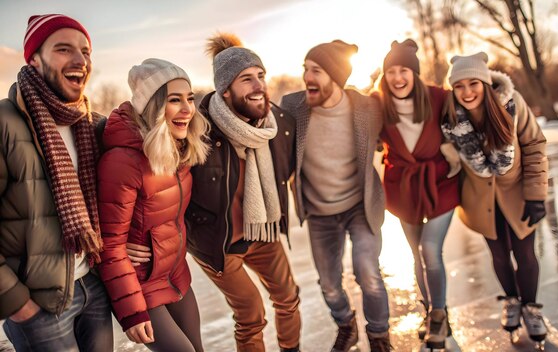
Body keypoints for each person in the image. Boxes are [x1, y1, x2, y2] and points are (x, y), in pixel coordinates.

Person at [127, 34, 301, 352]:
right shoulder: (197, 129)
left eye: (261, 76)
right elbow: (153, 181)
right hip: (218, 243)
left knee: (288, 297)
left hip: (263, 230)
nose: (258, 85)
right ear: (225, 89)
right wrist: (131, 236)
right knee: (251, 313)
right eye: (247, 79)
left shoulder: (280, 125)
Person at [0, 14, 113, 352]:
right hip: (40, 305)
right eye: (63, 49)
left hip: (93, 290)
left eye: (86, 51)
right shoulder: (5, 122)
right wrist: (18, 303)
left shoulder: (92, 125)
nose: (80, 60)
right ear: (34, 59)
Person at [281, 40, 392, 352]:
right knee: (329, 285)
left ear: (335, 76)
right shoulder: (293, 108)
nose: (307, 76)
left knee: (368, 272)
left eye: (316, 70)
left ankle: (379, 336)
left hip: (360, 206)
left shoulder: (367, 108)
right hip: (319, 212)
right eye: (305, 69)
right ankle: (347, 326)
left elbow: (402, 124)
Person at [97, 58, 209, 351]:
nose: (187, 109)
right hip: (141, 284)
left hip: (174, 274)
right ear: (153, 107)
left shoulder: (179, 151)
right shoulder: (124, 161)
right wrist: (132, 311)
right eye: (174, 100)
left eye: (190, 99)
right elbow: (111, 244)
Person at [441, 52, 549, 345]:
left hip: (518, 194)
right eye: (459, 86)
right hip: (479, 200)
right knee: (499, 254)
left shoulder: (512, 105)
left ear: (486, 83)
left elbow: (535, 145)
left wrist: (536, 195)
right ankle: (512, 302)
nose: (466, 92)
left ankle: (531, 307)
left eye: (473, 83)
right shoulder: (450, 117)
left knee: (525, 254)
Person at [376, 39, 460, 350]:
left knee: (429, 249)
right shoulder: (378, 104)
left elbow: (474, 111)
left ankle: (438, 314)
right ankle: (431, 312)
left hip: (441, 182)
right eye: (391, 71)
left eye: (404, 71)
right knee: (416, 255)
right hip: (403, 187)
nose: (397, 78)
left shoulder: (439, 98)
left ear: (415, 73)